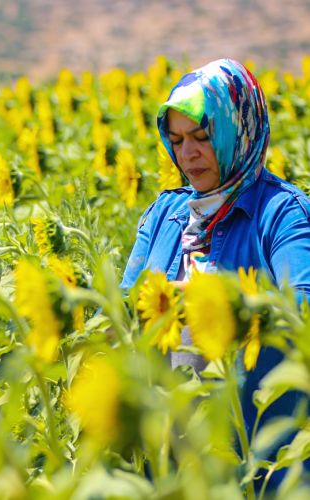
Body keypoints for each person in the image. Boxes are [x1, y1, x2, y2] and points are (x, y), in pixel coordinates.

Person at [121, 59, 310, 487]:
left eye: (202, 137)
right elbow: (121, 313)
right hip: (173, 470)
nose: (187, 154)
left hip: (260, 463)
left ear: (236, 128)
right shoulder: (165, 216)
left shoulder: (281, 214)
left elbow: (302, 307)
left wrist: (213, 303)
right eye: (177, 140)